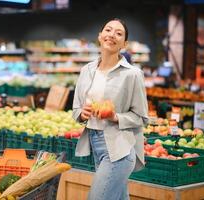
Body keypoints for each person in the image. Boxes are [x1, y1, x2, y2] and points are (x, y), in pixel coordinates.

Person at [72, 18, 148, 200]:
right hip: (95, 145)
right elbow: (76, 109)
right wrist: (82, 114)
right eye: (108, 30)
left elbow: (142, 117)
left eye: (118, 33)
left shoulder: (132, 74)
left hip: (119, 150)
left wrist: (115, 116)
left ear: (124, 43)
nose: (112, 35)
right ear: (100, 36)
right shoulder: (86, 70)